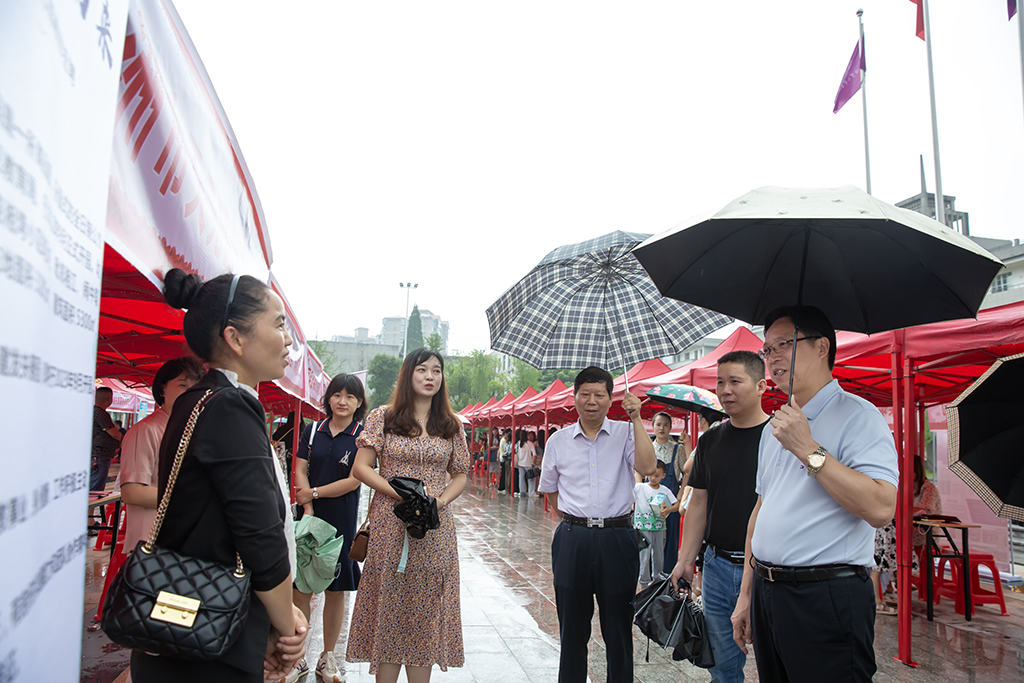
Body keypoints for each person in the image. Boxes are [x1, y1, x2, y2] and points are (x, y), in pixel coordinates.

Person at [129, 269, 307, 683]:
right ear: (235, 338)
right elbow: (259, 534)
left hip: (190, 625)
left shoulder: (200, 400)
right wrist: (288, 625)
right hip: (208, 644)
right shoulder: (229, 406)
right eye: (279, 323)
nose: (288, 339)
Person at [730, 305, 898, 683]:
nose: (772, 358)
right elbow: (761, 509)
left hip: (826, 596)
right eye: (767, 349)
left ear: (822, 347)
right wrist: (746, 594)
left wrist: (808, 449)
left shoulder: (858, 415)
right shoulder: (776, 425)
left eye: (784, 345)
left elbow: (881, 507)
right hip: (768, 592)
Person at [346, 348, 471, 683]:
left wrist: (439, 501)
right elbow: (361, 467)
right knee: (390, 608)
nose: (430, 377)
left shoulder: (450, 425)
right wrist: (399, 492)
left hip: (434, 528)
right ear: (408, 375)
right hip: (390, 523)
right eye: (422, 370)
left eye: (436, 371)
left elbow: (460, 473)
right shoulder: (383, 418)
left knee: (425, 612)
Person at [538, 366, 656, 683]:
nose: (592, 401)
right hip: (572, 538)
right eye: (585, 394)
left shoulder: (625, 432)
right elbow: (549, 490)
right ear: (575, 397)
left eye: (599, 394)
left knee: (618, 628)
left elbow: (647, 466)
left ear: (610, 398)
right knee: (572, 629)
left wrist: (636, 419)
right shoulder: (558, 441)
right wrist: (572, 521)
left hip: (617, 537)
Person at [669, 350, 770, 683]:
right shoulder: (711, 439)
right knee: (723, 668)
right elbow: (698, 503)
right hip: (718, 566)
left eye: (735, 382)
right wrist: (686, 559)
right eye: (720, 382)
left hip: (770, 571)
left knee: (778, 660)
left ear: (761, 386)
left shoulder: (779, 437)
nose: (725, 390)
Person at [288, 374, 367, 683]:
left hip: (341, 524)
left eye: (350, 396)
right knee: (301, 588)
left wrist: (315, 494)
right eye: (337, 395)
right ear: (329, 398)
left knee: (336, 591)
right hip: (308, 520)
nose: (342, 401)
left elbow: (355, 479)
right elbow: (299, 469)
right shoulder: (312, 431)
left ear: (359, 403)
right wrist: (307, 505)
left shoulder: (362, 436)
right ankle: (298, 658)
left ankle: (327, 656)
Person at [119, 356, 205, 551]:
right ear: (162, 390)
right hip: (151, 545)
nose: (190, 393)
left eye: (196, 387)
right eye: (182, 385)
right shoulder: (146, 430)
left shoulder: (190, 429)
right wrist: (192, 497)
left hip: (181, 542)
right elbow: (132, 492)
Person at [651, 412, 690, 574]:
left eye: (666, 425)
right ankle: (649, 581)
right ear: (653, 426)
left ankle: (667, 580)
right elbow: (638, 470)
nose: (662, 428)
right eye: (658, 424)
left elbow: (687, 472)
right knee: (649, 542)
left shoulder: (677, 449)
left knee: (670, 541)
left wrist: (680, 494)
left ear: (671, 428)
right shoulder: (647, 447)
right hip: (649, 504)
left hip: (671, 503)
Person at [634, 461, 679, 588]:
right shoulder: (640, 488)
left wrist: (668, 510)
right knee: (643, 556)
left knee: (659, 556)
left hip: (659, 528)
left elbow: (677, 505)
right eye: (651, 475)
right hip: (642, 528)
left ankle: (657, 583)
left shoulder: (665, 491)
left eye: (657, 476)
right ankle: (643, 584)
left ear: (663, 476)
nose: (653, 478)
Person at [90, 387, 123, 491]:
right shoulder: (100, 413)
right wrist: (124, 440)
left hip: (96, 455)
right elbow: (114, 434)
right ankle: (90, 508)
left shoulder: (92, 411)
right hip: (99, 456)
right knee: (95, 490)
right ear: (109, 399)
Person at [912, 456, 942, 548]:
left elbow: (925, 510)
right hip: (916, 528)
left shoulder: (928, 487)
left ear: (917, 471)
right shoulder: (911, 488)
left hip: (926, 531)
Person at [515, 430, 536, 498]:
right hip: (528, 464)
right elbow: (534, 454)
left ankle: (522, 491)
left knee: (521, 478)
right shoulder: (530, 444)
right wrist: (533, 461)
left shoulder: (518, 443)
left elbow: (515, 452)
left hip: (520, 463)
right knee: (531, 479)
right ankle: (531, 492)